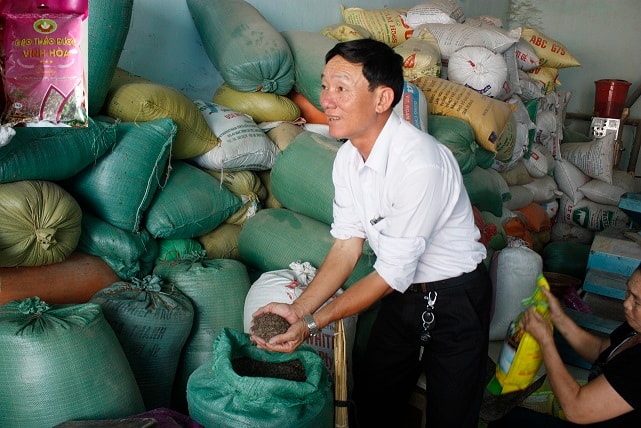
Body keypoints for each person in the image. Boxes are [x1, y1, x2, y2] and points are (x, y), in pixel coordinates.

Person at [250, 38, 491, 428]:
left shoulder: (420, 163)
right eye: (325, 86)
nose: (327, 99)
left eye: (341, 88)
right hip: (401, 294)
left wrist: (310, 325)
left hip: (454, 297)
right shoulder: (347, 159)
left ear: (382, 99)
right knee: (375, 401)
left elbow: (389, 272)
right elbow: (347, 248)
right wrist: (297, 310)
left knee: (452, 415)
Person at [489, 263, 641, 427]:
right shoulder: (635, 328)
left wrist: (545, 340)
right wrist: (559, 317)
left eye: (638, 302)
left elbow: (576, 409)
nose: (626, 303)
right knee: (505, 418)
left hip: (582, 412)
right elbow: (601, 351)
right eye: (628, 292)